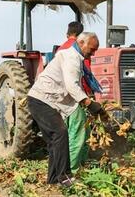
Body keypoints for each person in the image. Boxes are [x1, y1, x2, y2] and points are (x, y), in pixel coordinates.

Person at [27, 32, 105, 186]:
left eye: (96, 50)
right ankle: (65, 177)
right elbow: (71, 86)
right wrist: (90, 104)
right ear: (81, 43)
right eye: (92, 49)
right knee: (60, 133)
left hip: (46, 101)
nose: (93, 53)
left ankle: (53, 181)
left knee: (55, 142)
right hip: (41, 100)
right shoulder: (72, 58)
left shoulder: (75, 57)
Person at [57, 22, 93, 173]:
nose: (92, 53)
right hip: (76, 95)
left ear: (68, 33)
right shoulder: (80, 49)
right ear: (81, 36)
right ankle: (72, 169)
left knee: (72, 131)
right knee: (79, 132)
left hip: (62, 97)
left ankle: (74, 165)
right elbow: (83, 76)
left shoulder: (61, 47)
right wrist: (89, 97)